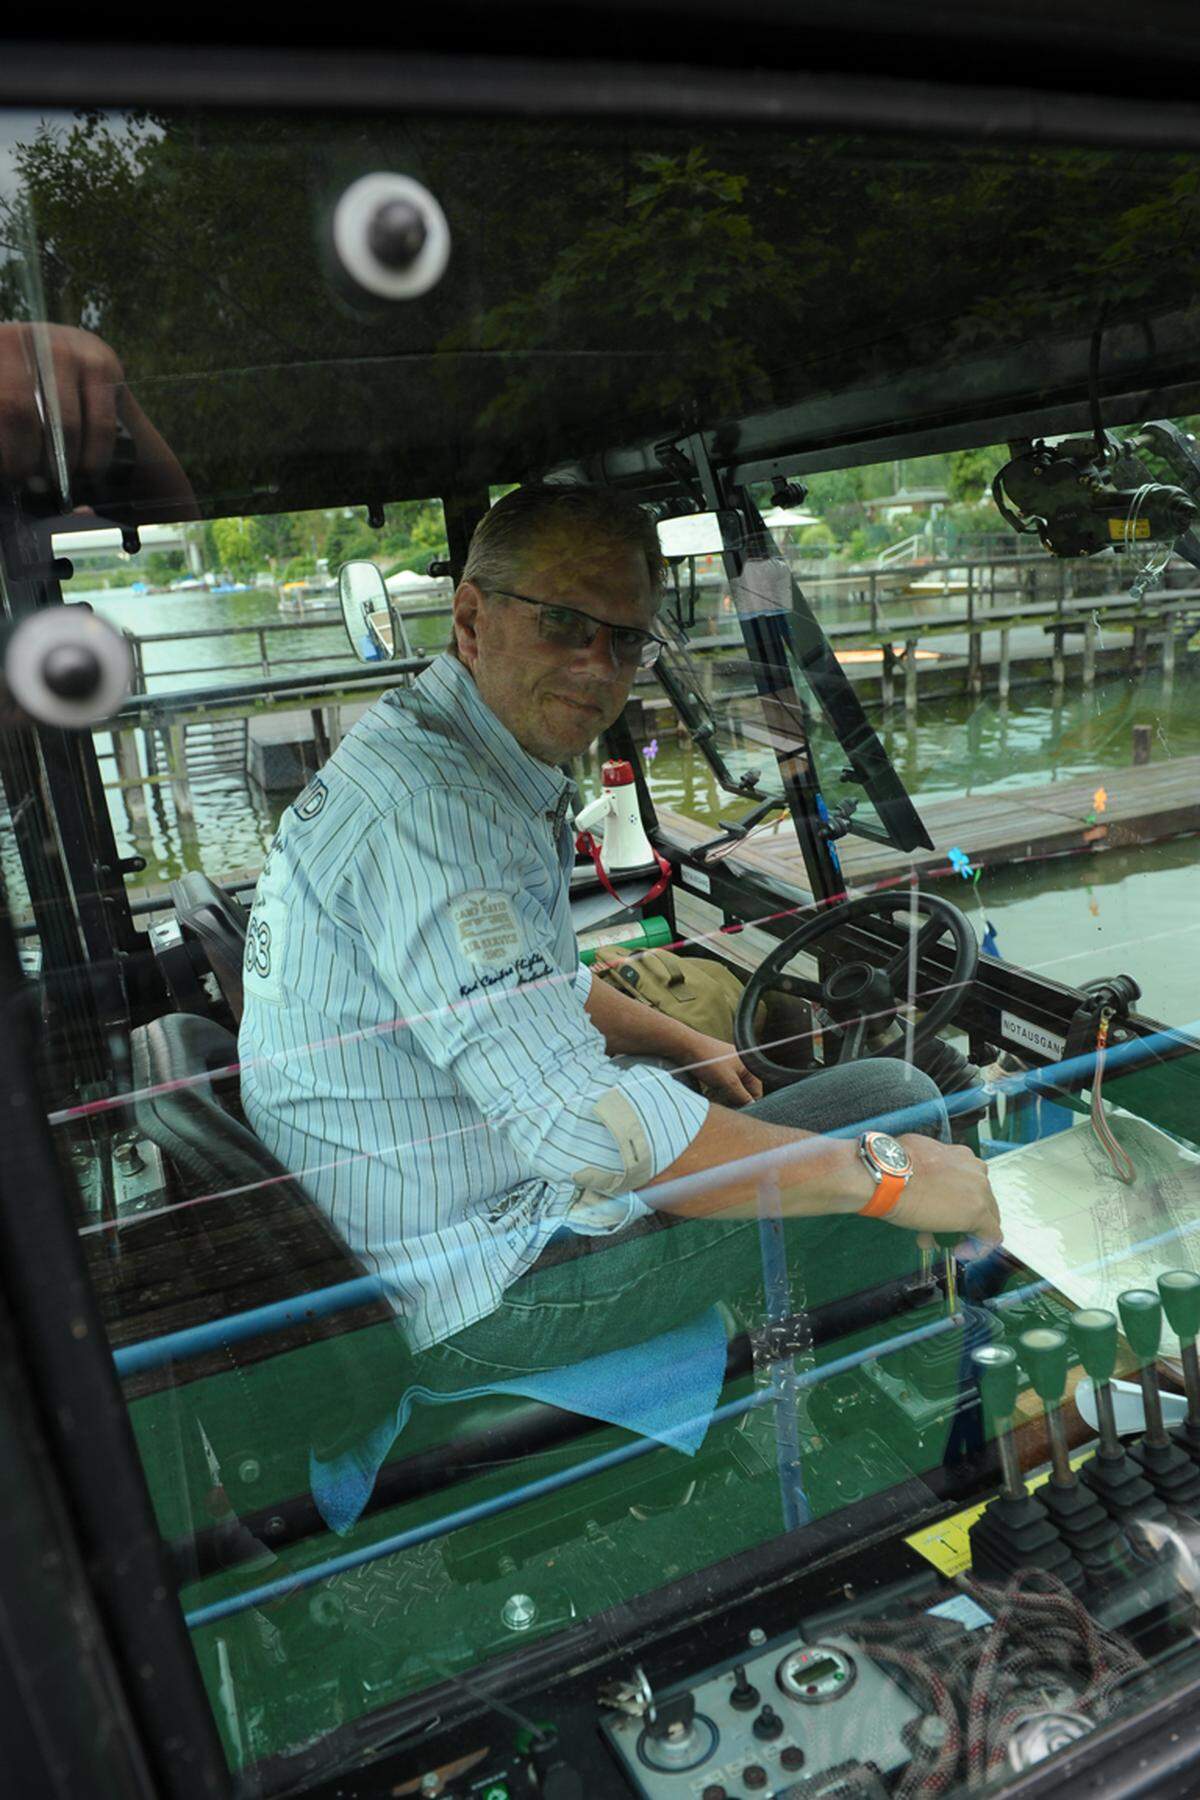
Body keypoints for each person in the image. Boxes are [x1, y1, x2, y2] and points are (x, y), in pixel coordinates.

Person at [238, 483, 1001, 1403]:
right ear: (471, 620)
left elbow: (535, 984)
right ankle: (874, 1409)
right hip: (489, 1293)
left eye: (626, 639)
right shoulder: (438, 817)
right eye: (565, 623)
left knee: (809, 1116)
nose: (600, 668)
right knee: (899, 1098)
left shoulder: (445, 750)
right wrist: (884, 1178)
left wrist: (686, 1041)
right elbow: (573, 1120)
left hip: (433, 1223)